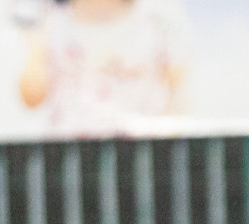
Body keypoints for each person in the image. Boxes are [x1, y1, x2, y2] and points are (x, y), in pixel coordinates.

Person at [18, 0, 191, 138]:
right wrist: (33, 42)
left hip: (139, 154)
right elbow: (31, 98)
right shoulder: (48, 15)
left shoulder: (160, 12)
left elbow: (178, 94)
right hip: (69, 156)